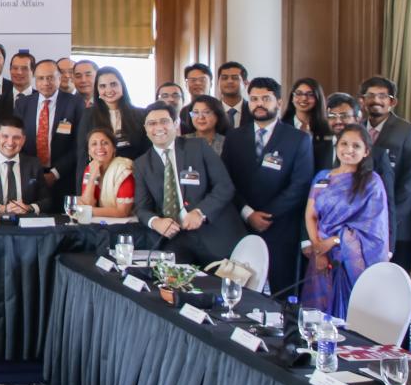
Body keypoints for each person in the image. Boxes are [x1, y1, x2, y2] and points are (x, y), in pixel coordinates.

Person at [223, 77, 314, 294]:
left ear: (279, 102)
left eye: (266, 98)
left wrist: (266, 216)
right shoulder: (234, 137)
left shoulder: (298, 139)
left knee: (282, 294)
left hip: (281, 226)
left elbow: (300, 185)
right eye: (254, 99)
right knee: (238, 291)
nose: (259, 104)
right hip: (241, 225)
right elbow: (226, 181)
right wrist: (248, 214)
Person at [133, 102, 244, 264]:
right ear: (145, 128)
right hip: (176, 238)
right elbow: (142, 208)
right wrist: (156, 222)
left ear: (176, 124)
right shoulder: (141, 164)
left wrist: (200, 212)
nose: (158, 127)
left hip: (214, 232)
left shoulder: (198, 147)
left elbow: (224, 186)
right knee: (170, 276)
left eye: (164, 121)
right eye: (152, 123)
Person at [301, 124, 390, 319]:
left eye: (356, 146)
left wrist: (333, 241)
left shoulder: (372, 182)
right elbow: (311, 215)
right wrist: (319, 249)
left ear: (366, 151)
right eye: (344, 144)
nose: (349, 150)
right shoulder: (322, 177)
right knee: (317, 314)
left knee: (348, 316)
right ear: (336, 146)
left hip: (351, 258)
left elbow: (373, 228)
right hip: (321, 253)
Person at [360, 75, 411, 266]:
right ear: (362, 101)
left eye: (382, 96)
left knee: (392, 278)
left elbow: (410, 184)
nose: (376, 100)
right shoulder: (355, 130)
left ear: (392, 101)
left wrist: (386, 221)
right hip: (360, 225)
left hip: (396, 227)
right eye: (370, 95)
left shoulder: (408, 131)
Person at [16, 58, 82, 202]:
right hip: (29, 177)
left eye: (50, 78)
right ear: (34, 79)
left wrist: (55, 173)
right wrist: (32, 171)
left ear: (59, 78)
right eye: (41, 78)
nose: (46, 83)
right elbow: (17, 140)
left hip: (64, 177)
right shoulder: (22, 104)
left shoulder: (75, 103)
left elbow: (79, 145)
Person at [75, 66, 149, 178]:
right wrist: (83, 186)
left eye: (113, 84)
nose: (109, 90)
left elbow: (146, 152)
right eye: (103, 86)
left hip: (133, 176)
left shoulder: (141, 115)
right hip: (99, 178)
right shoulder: (88, 115)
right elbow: (82, 154)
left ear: (122, 86)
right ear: (97, 90)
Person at [78, 128, 135, 218]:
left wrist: (85, 211)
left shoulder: (123, 169)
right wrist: (92, 177)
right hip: (100, 221)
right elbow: (87, 203)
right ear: (89, 151)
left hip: (127, 223)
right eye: (94, 144)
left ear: (114, 148)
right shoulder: (90, 168)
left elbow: (123, 211)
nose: (99, 147)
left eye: (105, 143)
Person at [314, 92, 359, 171]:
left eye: (344, 116)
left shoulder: (374, 154)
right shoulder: (316, 151)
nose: (338, 121)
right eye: (332, 116)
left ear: (357, 119)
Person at [216, 61, 249, 129]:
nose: (229, 81)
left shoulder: (253, 111)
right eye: (224, 78)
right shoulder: (212, 110)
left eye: (235, 78)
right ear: (218, 83)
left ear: (245, 83)